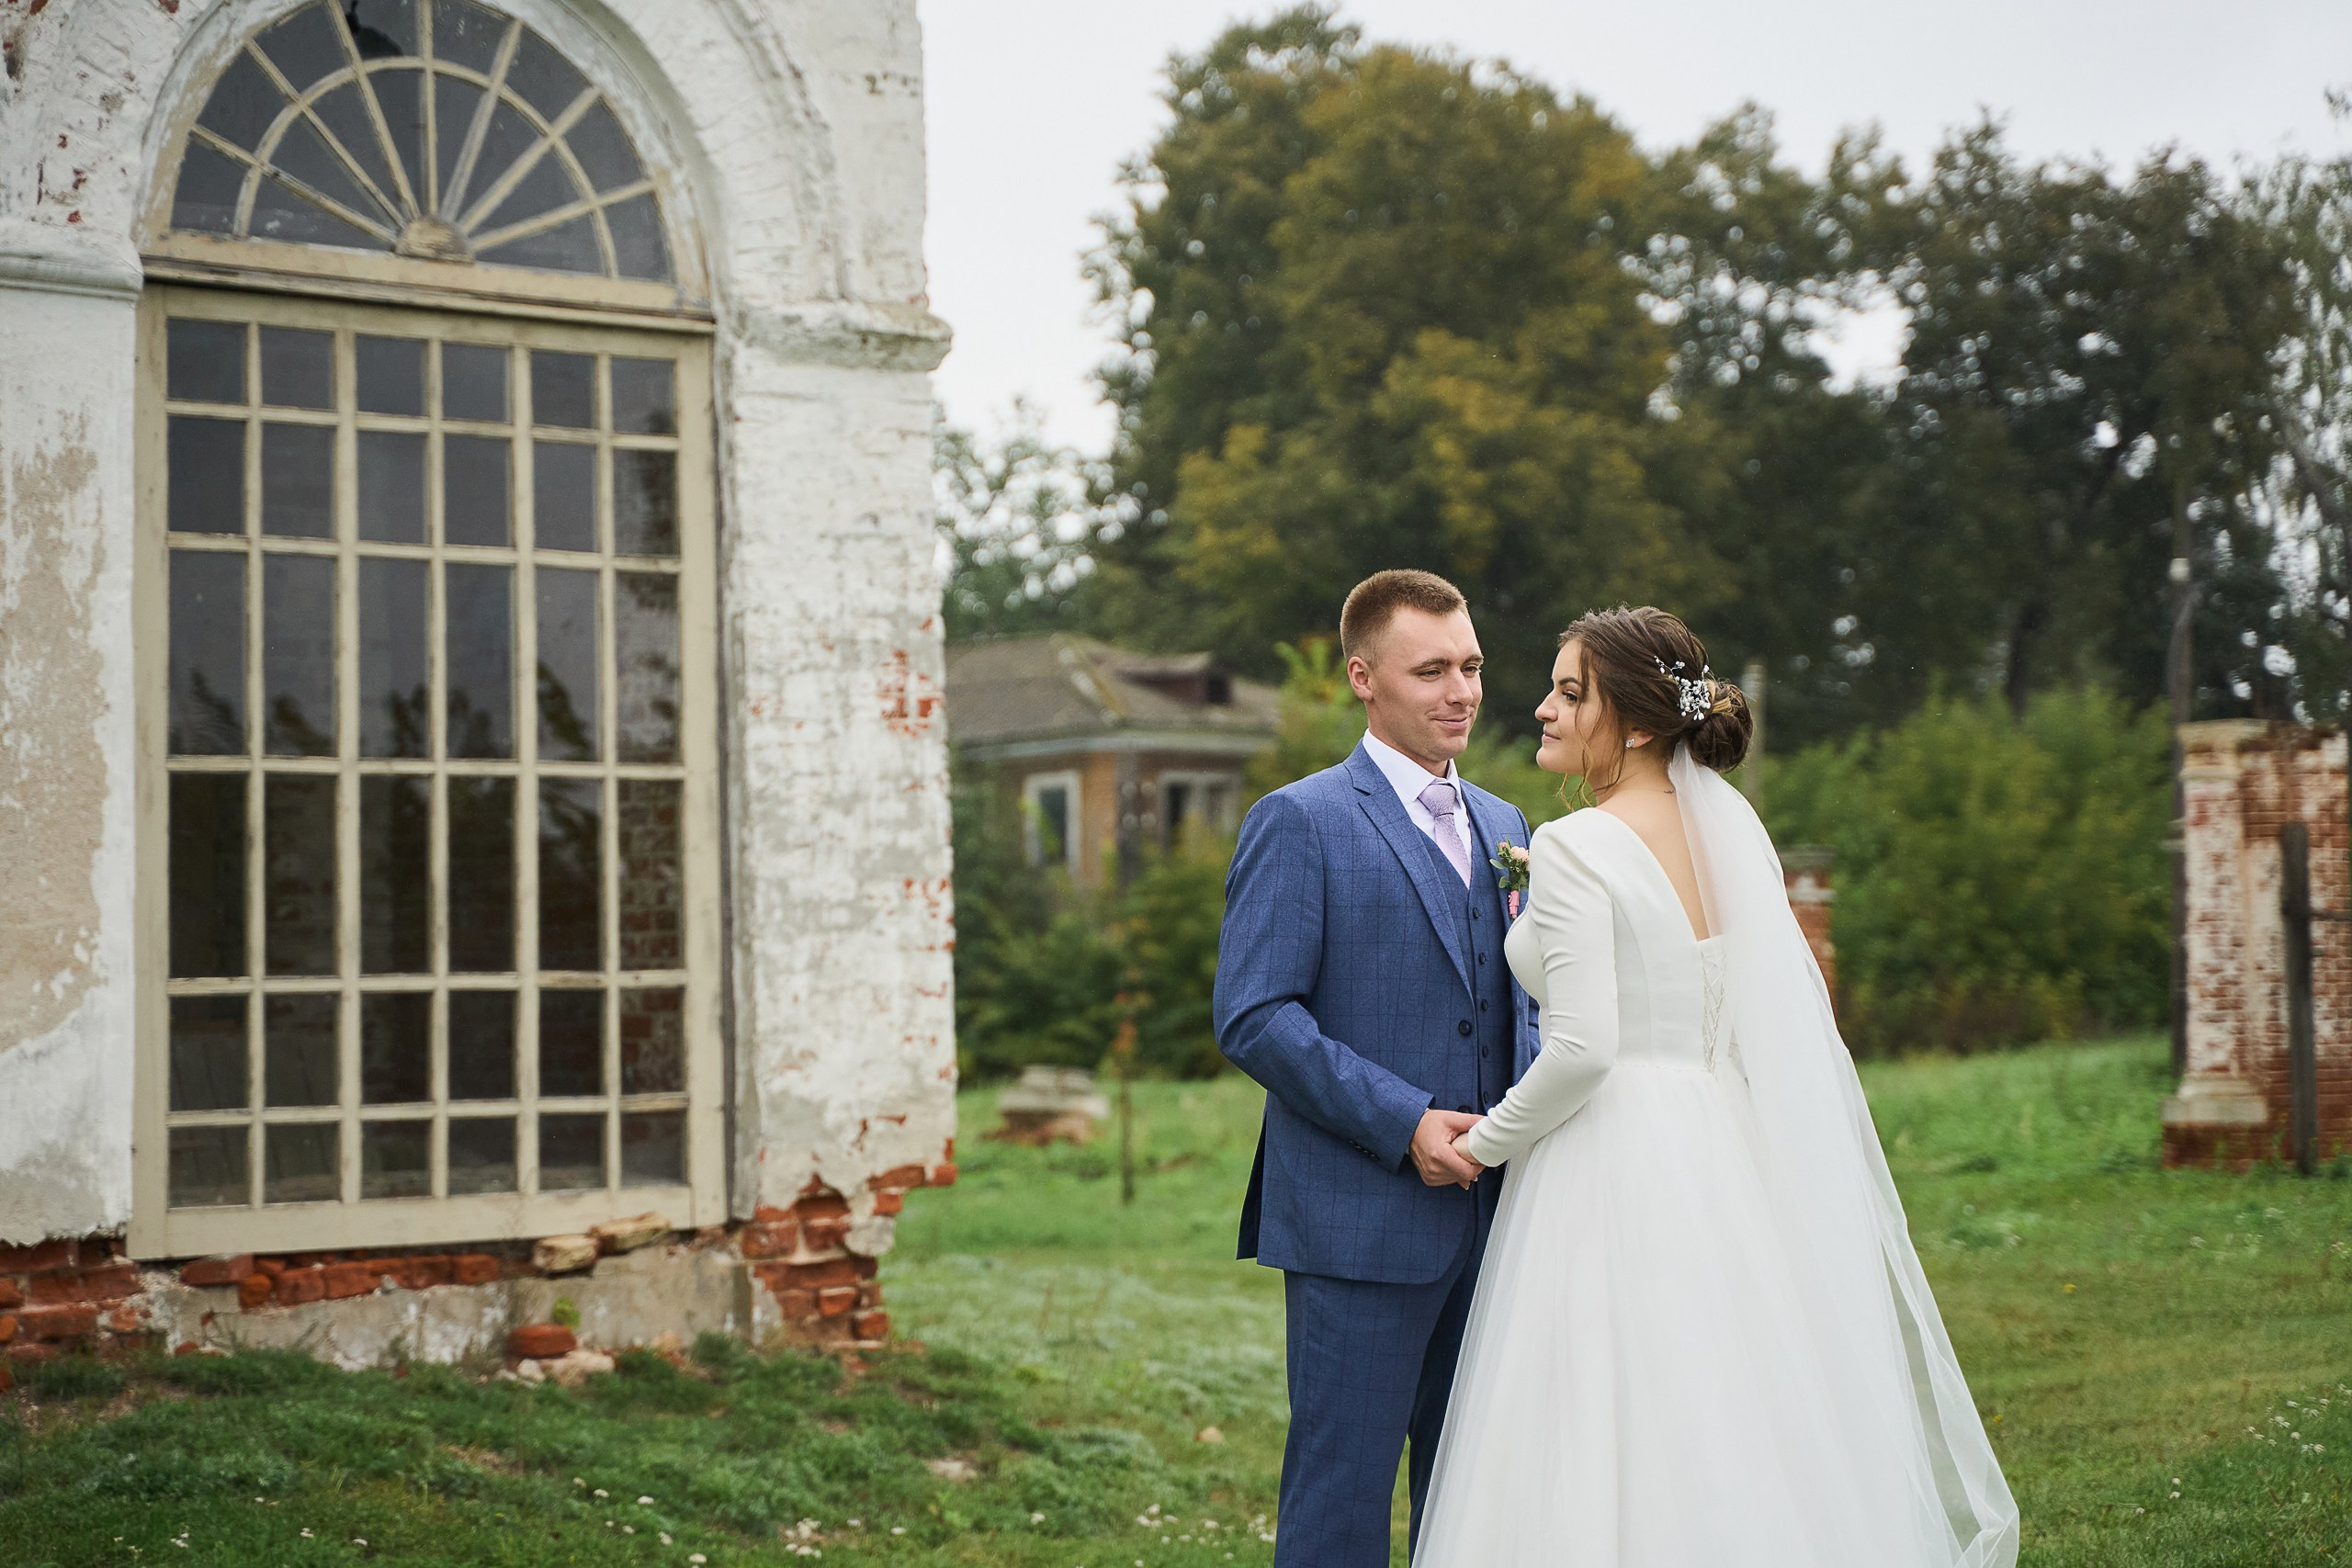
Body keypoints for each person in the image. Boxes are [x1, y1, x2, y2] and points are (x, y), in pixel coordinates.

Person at [1411, 604, 2020, 1567]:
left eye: (1570, 694)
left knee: (1602, 1402)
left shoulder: (1576, 845)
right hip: (1718, 1142)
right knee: (1727, 1393)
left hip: (1609, 1153)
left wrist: (1479, 1144)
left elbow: (1583, 1051)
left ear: (1636, 725)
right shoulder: (1726, 836)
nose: (1542, 709)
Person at [1213, 569, 1542, 1568]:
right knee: (1340, 1506)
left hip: (1498, 1224)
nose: (1462, 692)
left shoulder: (1507, 826)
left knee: (1473, 1499)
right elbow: (1254, 1015)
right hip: (1355, 1225)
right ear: (1363, 677)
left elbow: (1523, 1008)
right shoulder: (1301, 820)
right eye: (1431, 670)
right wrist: (1406, 1122)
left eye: (1471, 667)